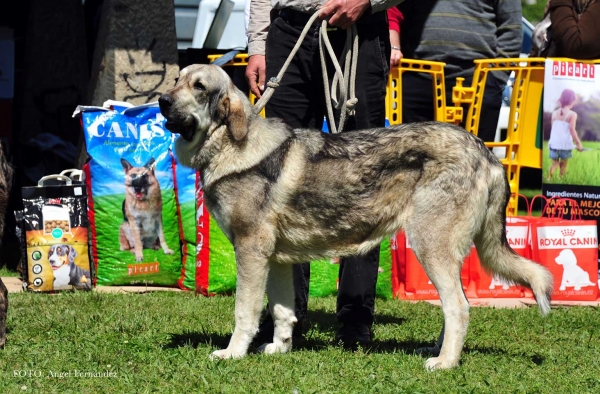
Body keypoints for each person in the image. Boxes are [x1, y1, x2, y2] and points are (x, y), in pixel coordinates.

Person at [246, 0, 400, 347]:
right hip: (289, 32)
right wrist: (257, 46)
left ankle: (355, 318)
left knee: (362, 179)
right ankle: (286, 317)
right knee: (284, 182)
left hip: (359, 33)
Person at [395, 0, 522, 143]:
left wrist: (495, 78)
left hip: (478, 79)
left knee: (477, 160)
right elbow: (394, 13)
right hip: (417, 75)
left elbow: (512, 29)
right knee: (412, 157)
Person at [547, 89, 584, 180]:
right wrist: (578, 143)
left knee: (554, 163)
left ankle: (548, 178)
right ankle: (561, 180)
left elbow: (553, 129)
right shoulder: (572, 114)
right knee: (563, 165)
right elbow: (572, 129)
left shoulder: (554, 113)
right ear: (572, 101)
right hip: (565, 145)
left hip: (554, 143)